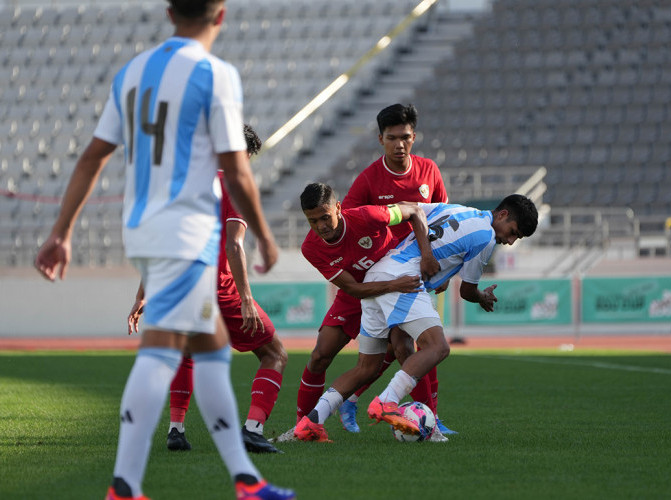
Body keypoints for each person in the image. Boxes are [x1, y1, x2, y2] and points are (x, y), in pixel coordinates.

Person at [34, 2, 295, 499]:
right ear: (221, 16)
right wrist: (263, 233)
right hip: (186, 230)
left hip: (148, 227)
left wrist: (61, 231)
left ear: (170, 11)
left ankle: (244, 480)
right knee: (160, 354)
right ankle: (125, 485)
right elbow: (237, 169)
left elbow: (93, 155)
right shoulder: (215, 74)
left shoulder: (133, 72)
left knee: (212, 352)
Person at [293, 195, 538, 442]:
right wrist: (482, 296)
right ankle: (387, 402)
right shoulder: (486, 237)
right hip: (404, 279)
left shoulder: (455, 209)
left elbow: (416, 211)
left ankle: (311, 422)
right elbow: (467, 290)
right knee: (438, 347)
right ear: (503, 215)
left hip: (378, 275)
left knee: (369, 366)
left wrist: (433, 260)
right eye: (512, 233)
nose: (509, 240)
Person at [127, 125, 286, 455]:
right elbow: (234, 245)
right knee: (274, 354)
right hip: (219, 287)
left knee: (186, 353)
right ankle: (253, 429)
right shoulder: (237, 186)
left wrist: (143, 292)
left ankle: (176, 430)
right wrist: (245, 298)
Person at [273, 182, 438, 442]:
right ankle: (303, 428)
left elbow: (415, 210)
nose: (321, 227)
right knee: (319, 355)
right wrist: (394, 284)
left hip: (393, 282)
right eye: (312, 221)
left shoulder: (368, 216)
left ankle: (432, 424)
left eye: (325, 217)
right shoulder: (311, 247)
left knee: (404, 349)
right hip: (359, 292)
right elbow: (354, 288)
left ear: (338, 208)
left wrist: (426, 255)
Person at [338, 103, 454, 437]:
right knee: (409, 347)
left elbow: (441, 217)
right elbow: (347, 218)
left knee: (406, 347)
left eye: (405, 137)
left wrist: (440, 267)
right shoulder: (370, 178)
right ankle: (424, 415)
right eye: (392, 138)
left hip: (419, 271)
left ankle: (365, 401)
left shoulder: (429, 171)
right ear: (381, 139)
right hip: (383, 275)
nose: (399, 144)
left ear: (414, 137)